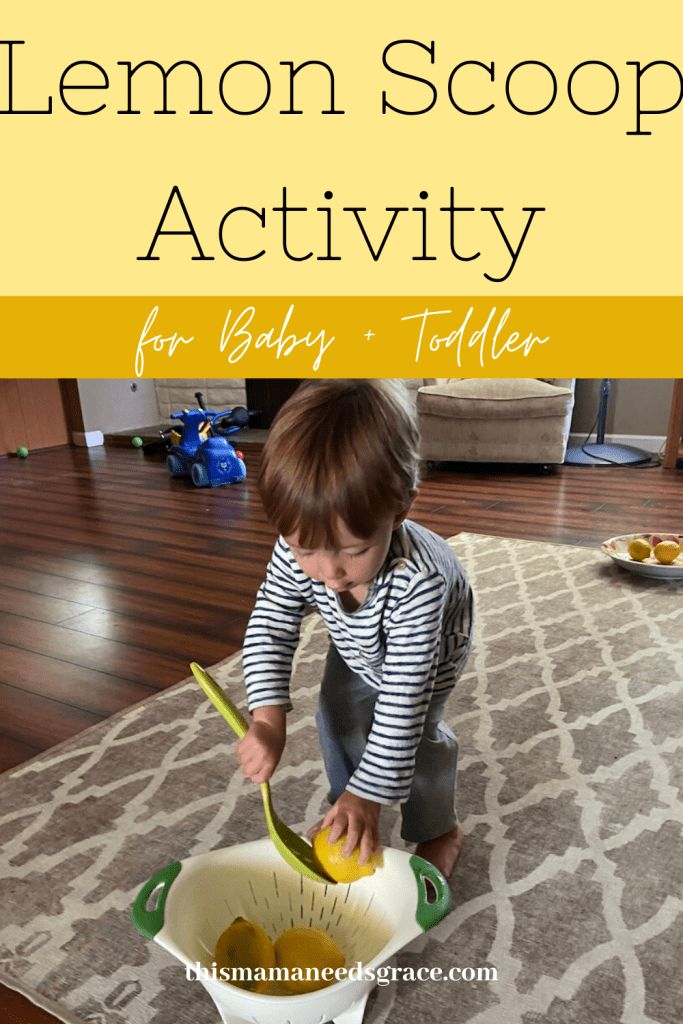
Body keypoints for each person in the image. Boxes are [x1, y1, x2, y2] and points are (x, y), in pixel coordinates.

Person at [237, 379, 473, 879]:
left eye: (353, 549)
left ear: (402, 508)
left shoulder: (419, 583)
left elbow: (402, 702)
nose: (328, 571)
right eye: (306, 549)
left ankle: (438, 829)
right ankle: (348, 812)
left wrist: (373, 792)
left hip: (426, 650)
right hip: (357, 640)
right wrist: (267, 720)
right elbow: (271, 625)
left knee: (416, 736)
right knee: (337, 715)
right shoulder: (296, 549)